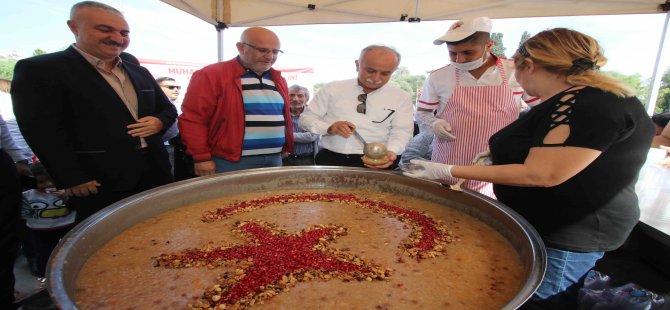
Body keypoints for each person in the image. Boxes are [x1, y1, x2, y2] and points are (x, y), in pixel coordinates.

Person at [405, 28, 655, 309]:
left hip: (568, 231)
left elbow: (542, 173)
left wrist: (449, 170)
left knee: (540, 301)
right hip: (551, 222)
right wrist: (503, 152)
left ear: (529, 66)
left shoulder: (583, 103)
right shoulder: (586, 98)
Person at [11, 1, 177, 222]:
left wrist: (158, 121)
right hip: (98, 180)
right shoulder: (41, 69)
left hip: (156, 171)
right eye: (105, 29)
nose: (117, 38)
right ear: (74, 27)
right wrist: (72, 177)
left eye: (124, 32)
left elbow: (167, 109)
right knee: (108, 239)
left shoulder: (139, 71)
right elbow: (42, 131)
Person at [415, 16, 536, 197]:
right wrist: (434, 123)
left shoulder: (514, 72)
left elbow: (540, 111)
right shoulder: (438, 77)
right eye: (452, 53)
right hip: (448, 160)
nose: (460, 60)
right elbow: (422, 113)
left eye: (468, 53)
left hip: (495, 162)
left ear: (488, 45)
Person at [178, 27, 293, 176]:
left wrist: (285, 148)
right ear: (241, 47)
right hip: (229, 163)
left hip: (274, 159)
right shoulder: (211, 74)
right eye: (263, 50)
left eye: (275, 51)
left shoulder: (278, 79)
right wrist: (201, 158)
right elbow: (193, 119)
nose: (269, 56)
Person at [299, 45, 414, 169]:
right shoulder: (332, 89)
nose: (376, 78)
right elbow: (305, 120)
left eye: (385, 74)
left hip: (378, 161)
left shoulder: (401, 97)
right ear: (357, 65)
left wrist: (392, 152)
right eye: (370, 71)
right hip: (331, 159)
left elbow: (402, 132)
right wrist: (329, 128)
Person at [21, 163, 75, 278]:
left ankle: (70, 271)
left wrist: (66, 197)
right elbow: (22, 213)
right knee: (44, 254)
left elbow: (75, 207)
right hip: (41, 231)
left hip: (67, 226)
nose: (48, 184)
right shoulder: (27, 195)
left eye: (52, 180)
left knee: (72, 250)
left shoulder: (66, 191)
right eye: (41, 182)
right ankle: (44, 277)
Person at [282, 85, 319, 166]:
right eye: (291, 95)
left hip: (307, 160)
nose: (295, 99)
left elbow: (312, 136)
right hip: (285, 160)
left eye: (300, 96)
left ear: (306, 99)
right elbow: (277, 133)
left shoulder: (313, 114)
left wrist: (287, 136)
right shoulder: (281, 113)